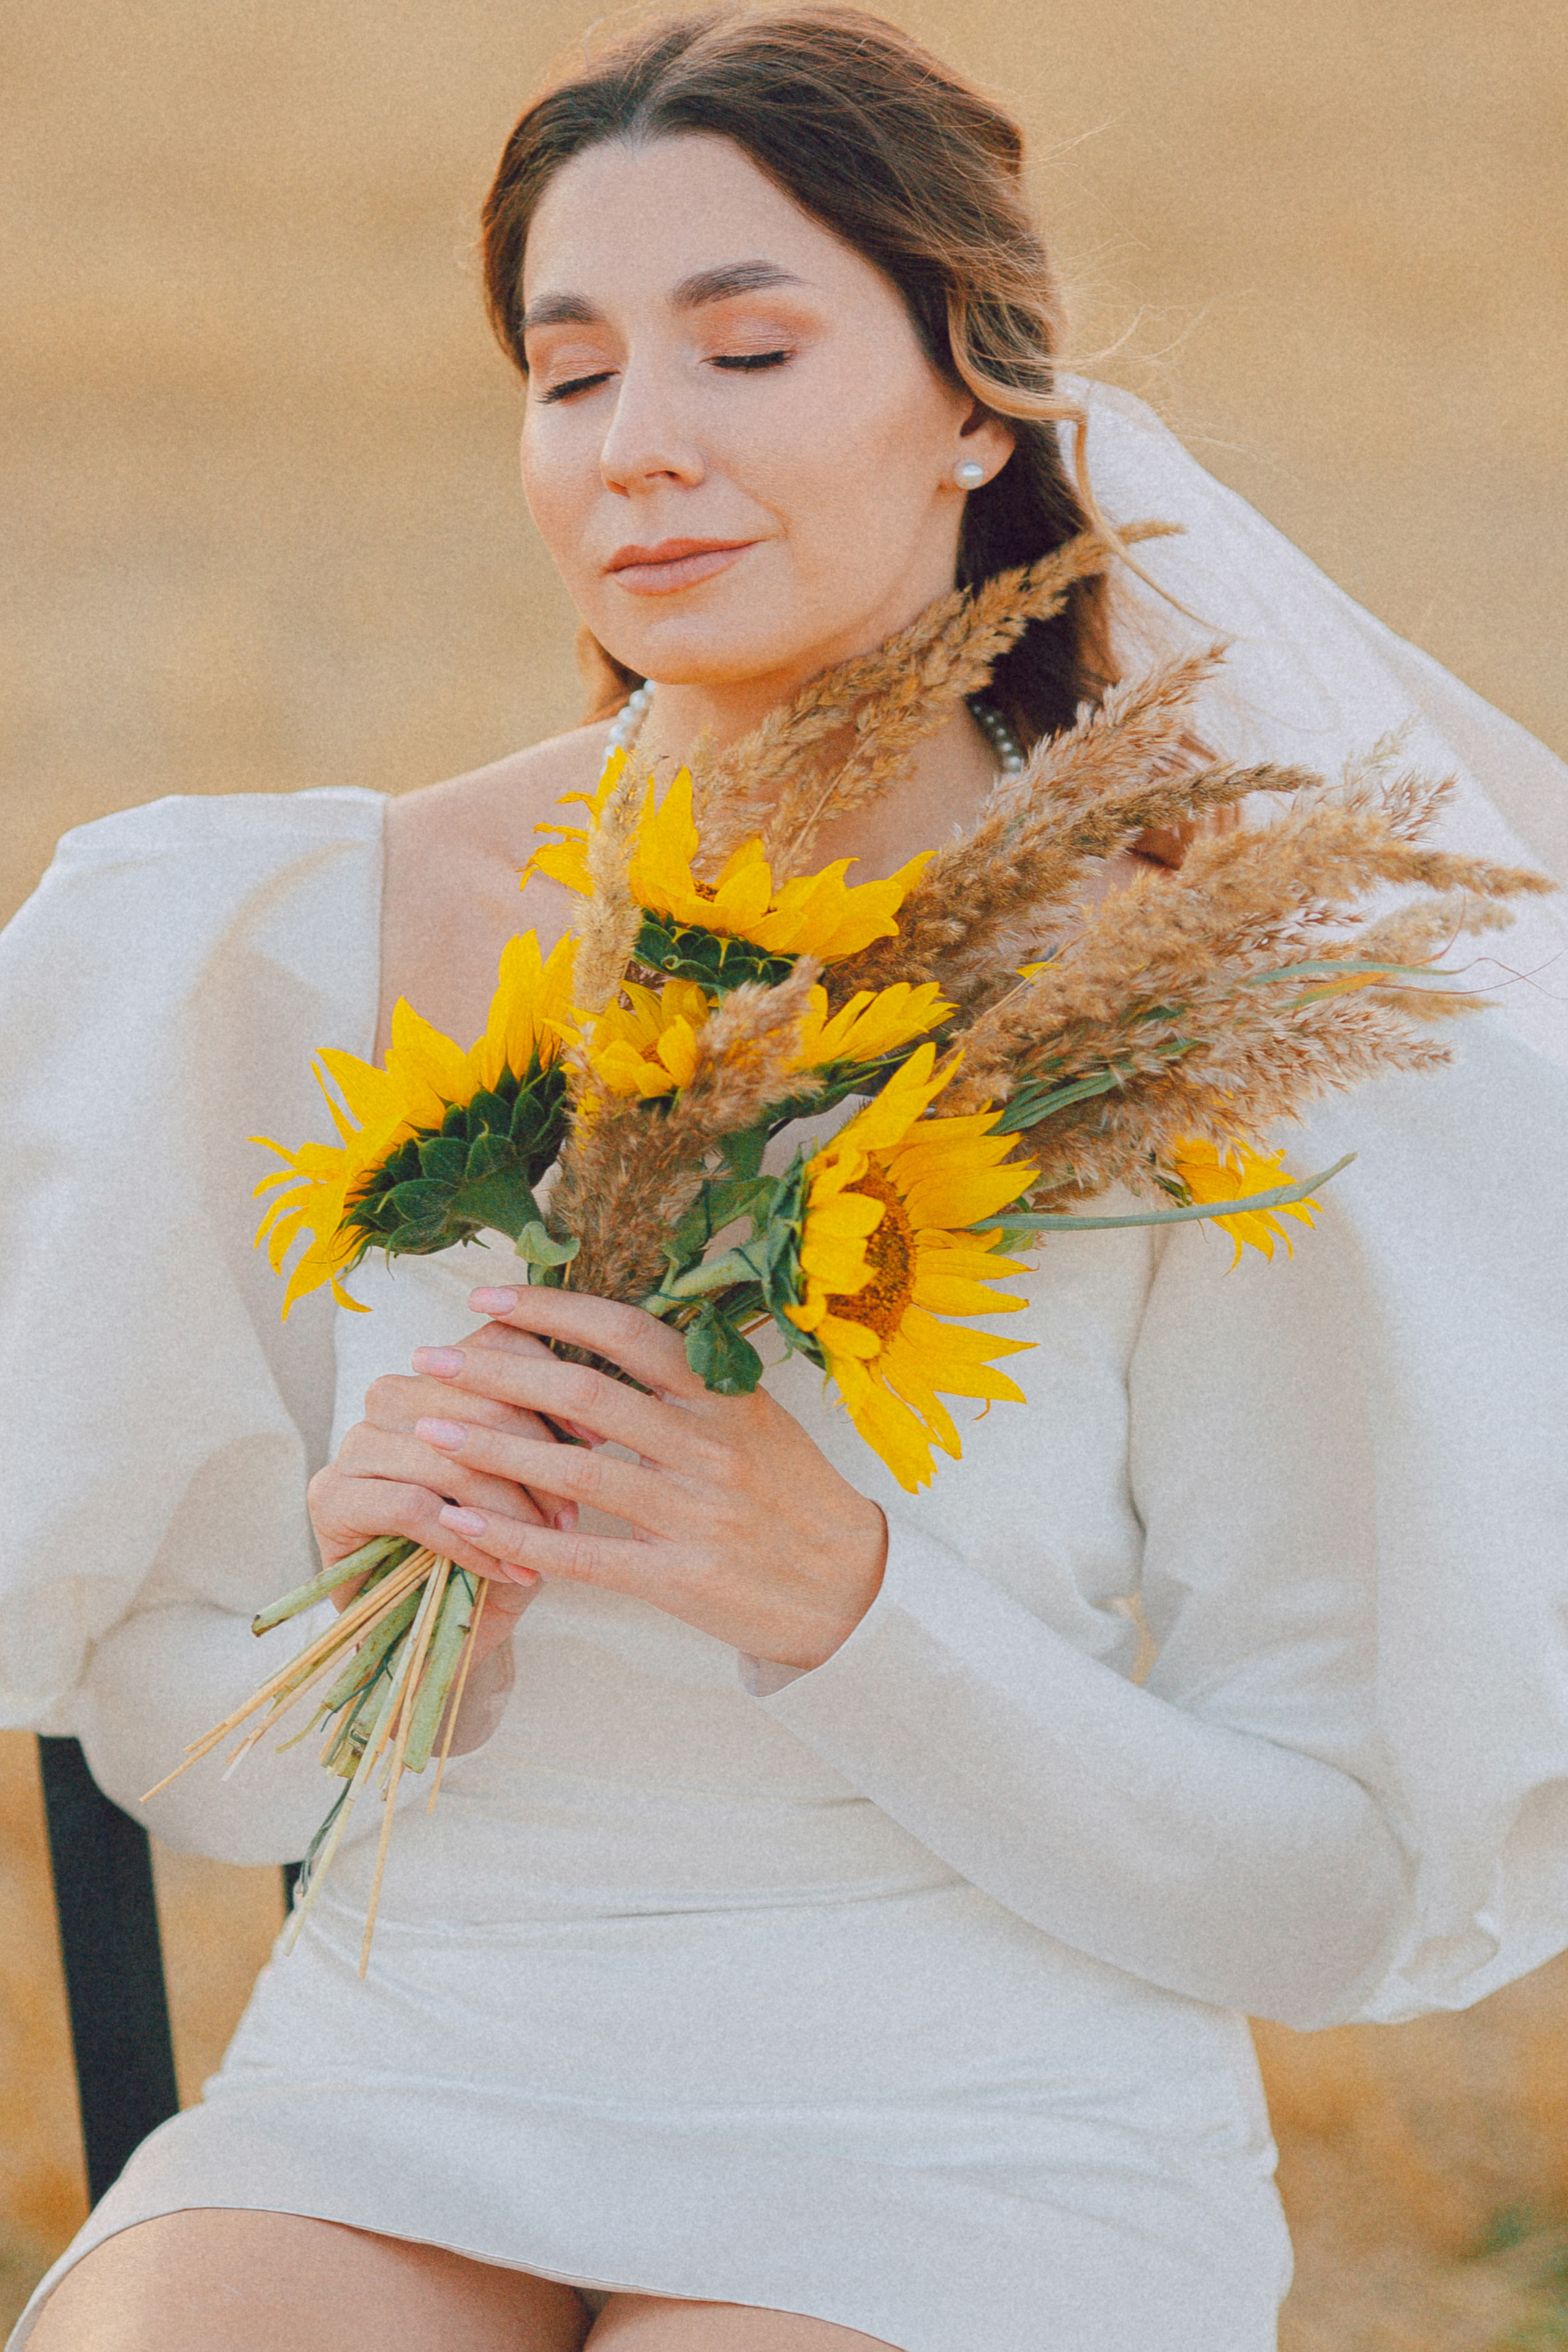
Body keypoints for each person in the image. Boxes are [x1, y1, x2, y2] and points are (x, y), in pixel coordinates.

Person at [6, 9, 1568, 2349]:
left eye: (745, 348)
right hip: (411, 2072)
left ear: (975, 400)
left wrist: (833, 1592)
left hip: (987, 2129)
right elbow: (170, 1761)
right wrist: (360, 1618)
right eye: (570, 375)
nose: (644, 450)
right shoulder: (294, 939)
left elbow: (1329, 1897)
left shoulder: (1201, 1006)